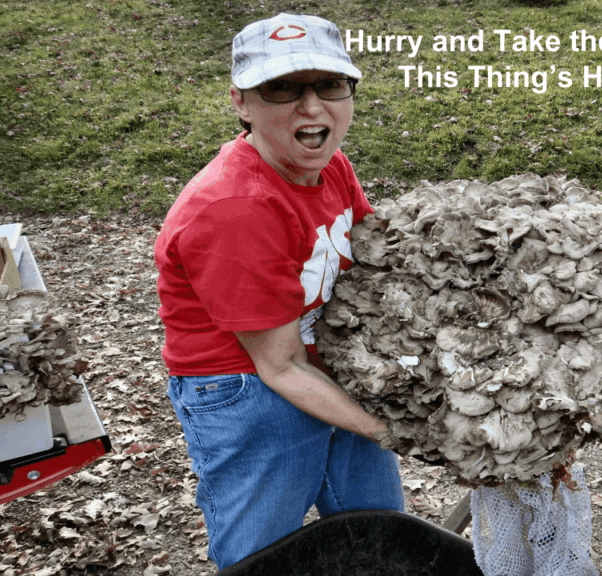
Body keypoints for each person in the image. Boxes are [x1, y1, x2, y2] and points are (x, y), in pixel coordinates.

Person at [154, 13, 405, 570]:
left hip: (326, 361)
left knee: (382, 533)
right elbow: (279, 365)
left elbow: (375, 255)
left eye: (330, 85)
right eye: (283, 88)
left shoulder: (331, 164)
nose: (312, 107)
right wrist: (393, 428)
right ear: (242, 102)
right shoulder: (234, 210)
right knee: (264, 555)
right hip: (246, 387)